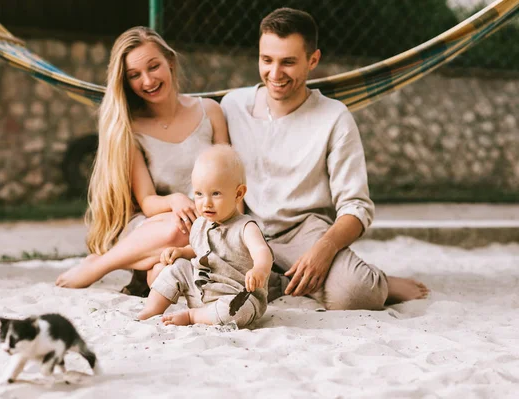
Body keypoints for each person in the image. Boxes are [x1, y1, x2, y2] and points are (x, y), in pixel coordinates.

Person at [220, 8, 429, 310]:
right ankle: (285, 282)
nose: (275, 74)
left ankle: (379, 282)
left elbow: (356, 206)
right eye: (267, 60)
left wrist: (325, 249)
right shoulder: (232, 105)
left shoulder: (334, 117)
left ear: (313, 60)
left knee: (358, 294)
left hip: (306, 232)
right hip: (246, 231)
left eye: (288, 62)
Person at [55, 27, 229, 292]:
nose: (147, 81)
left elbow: (229, 176)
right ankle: (101, 266)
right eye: (135, 75)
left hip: (210, 220)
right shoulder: (132, 129)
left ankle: (136, 270)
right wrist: (175, 200)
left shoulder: (210, 111)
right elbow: (147, 201)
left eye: (153, 67)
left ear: (170, 62)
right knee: (177, 227)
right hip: (158, 225)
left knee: (161, 275)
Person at [138, 145, 273, 328]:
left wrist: (260, 270)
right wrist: (181, 251)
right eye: (199, 194)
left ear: (238, 193)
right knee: (176, 268)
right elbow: (198, 249)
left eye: (216, 194)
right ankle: (151, 309)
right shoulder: (201, 224)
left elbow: (262, 251)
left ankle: (192, 316)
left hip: (235, 295)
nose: (206, 203)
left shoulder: (245, 227)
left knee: (238, 311)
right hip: (201, 289)